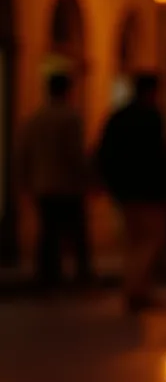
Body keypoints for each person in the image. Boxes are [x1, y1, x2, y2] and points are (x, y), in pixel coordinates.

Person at [96, 74, 166, 313]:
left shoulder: (118, 117)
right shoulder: (151, 117)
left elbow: (104, 151)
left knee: (132, 241)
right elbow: (159, 156)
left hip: (125, 190)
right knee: (150, 240)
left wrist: (110, 184)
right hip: (147, 190)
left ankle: (136, 289)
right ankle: (136, 290)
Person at [15, 73, 93, 289]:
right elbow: (75, 154)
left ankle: (47, 275)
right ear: (68, 91)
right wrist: (87, 178)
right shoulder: (70, 117)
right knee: (77, 233)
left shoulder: (35, 117)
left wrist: (25, 182)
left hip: (43, 185)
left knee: (48, 232)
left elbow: (23, 153)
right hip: (67, 186)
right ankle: (82, 276)